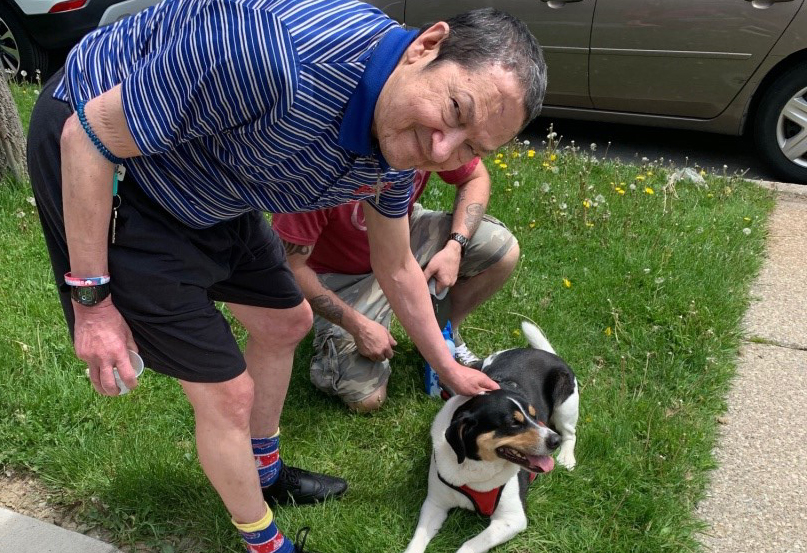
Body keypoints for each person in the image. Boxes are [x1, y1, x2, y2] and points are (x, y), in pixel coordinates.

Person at [26, 0, 546, 550]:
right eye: (456, 110)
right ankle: (264, 542)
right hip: (110, 161)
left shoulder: (404, 143)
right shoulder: (276, 57)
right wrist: (93, 305)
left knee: (286, 322)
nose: (443, 149)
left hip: (215, 173)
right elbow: (87, 137)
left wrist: (447, 366)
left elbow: (394, 265)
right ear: (426, 46)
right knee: (226, 394)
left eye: (471, 147)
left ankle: (264, 471)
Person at [273, 158, 519, 412]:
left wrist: (455, 246)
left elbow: (475, 176)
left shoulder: (430, 137)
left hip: (401, 239)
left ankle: (443, 334)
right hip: (340, 277)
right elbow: (289, 267)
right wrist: (358, 327)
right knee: (368, 399)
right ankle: (331, 350)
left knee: (500, 248)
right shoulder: (317, 170)